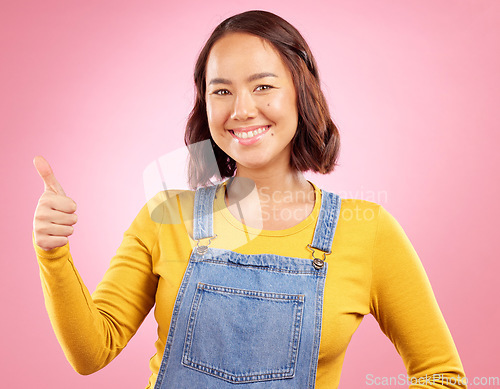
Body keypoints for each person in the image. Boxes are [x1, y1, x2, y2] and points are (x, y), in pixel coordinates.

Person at [33, 10, 466, 389]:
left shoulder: (366, 230)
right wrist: (53, 254)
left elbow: (440, 374)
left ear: (301, 91)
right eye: (221, 91)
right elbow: (92, 352)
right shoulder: (166, 216)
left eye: (263, 87)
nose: (241, 110)